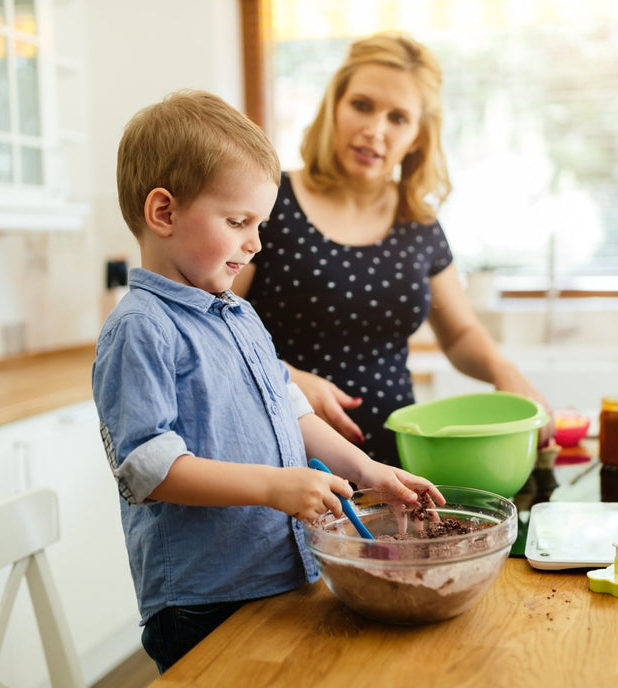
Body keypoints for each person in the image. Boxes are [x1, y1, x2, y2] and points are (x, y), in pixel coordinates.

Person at [92, 89, 442, 673]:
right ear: (164, 212)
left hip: (276, 572)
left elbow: (289, 407)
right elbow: (150, 470)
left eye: (260, 223)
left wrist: (366, 470)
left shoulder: (235, 311)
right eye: (238, 222)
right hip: (202, 598)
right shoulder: (140, 329)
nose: (255, 242)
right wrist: (275, 486)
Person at [234, 32, 553, 467]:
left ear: (418, 136)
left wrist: (504, 372)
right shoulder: (270, 202)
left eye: (398, 117)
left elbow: (459, 334)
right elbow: (212, 327)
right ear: (334, 105)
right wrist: (282, 377)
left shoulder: (417, 222)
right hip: (282, 455)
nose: (374, 129)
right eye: (362, 105)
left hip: (394, 464)